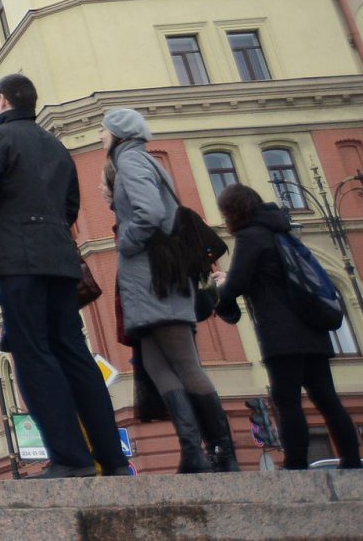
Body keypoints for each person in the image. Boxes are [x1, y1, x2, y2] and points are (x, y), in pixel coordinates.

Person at [0, 74, 126, 478]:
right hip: (60, 259)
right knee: (74, 352)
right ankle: (113, 458)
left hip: (19, 259)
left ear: (2, 102)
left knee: (34, 354)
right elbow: (71, 203)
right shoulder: (54, 144)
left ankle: (71, 457)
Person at [103, 109, 234, 473]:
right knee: (157, 363)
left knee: (184, 363)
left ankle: (223, 451)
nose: (101, 137)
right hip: (152, 282)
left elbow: (151, 212)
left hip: (155, 280)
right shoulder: (142, 160)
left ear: (117, 133)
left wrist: (126, 242)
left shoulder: (130, 161)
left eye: (104, 131)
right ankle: (192, 450)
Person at [211, 183, 361, 471]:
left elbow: (237, 285)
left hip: (281, 334)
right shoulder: (281, 232)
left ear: (233, 212)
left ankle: (295, 464)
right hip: (313, 329)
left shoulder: (250, 237)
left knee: (287, 401)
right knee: (327, 399)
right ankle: (351, 461)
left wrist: (222, 285)